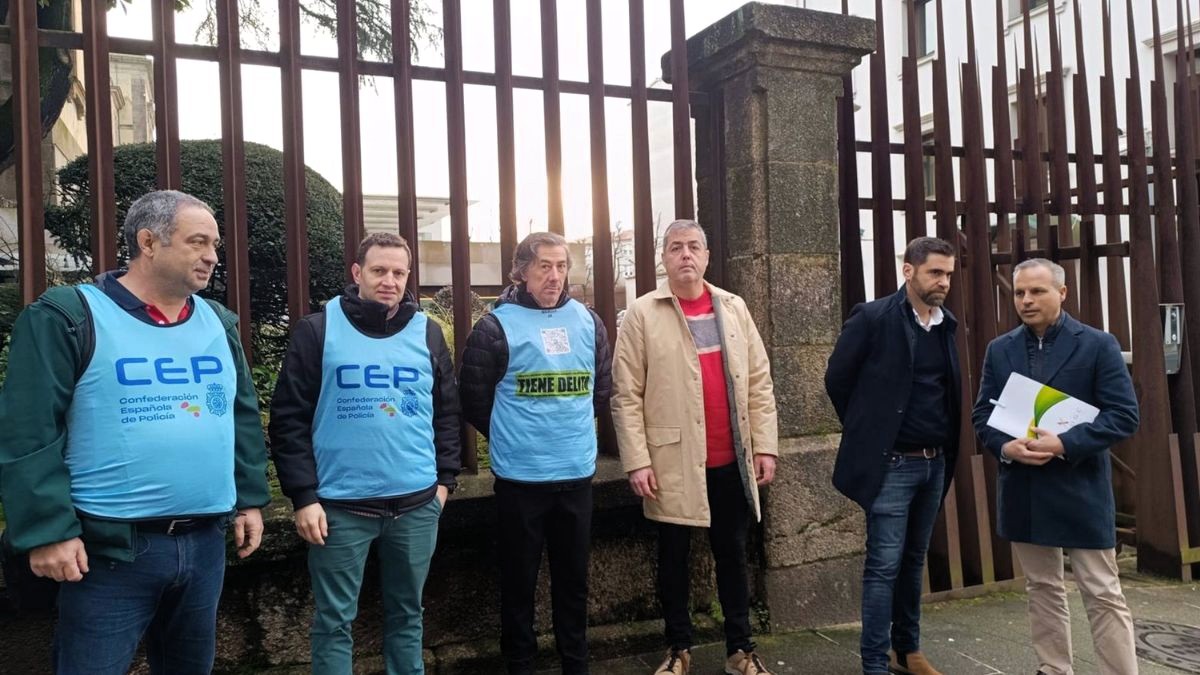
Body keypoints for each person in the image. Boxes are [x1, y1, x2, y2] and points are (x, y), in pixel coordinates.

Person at [0, 190, 270, 674]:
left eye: (215, 245)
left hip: (205, 544)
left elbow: (240, 414)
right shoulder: (68, 316)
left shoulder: (217, 322)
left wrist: (249, 497)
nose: (212, 256)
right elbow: (28, 430)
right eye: (198, 242)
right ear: (148, 241)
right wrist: (46, 532)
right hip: (109, 553)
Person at [269, 232, 461, 674]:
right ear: (357, 273)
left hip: (416, 506)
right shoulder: (318, 329)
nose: (389, 281)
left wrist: (444, 484)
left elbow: (446, 411)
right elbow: (289, 418)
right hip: (340, 508)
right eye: (379, 270)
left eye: (398, 272)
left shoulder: (427, 332)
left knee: (408, 614)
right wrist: (304, 496)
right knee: (335, 621)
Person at [610, 219, 779, 675]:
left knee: (733, 557)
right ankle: (677, 649)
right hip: (670, 462)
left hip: (731, 459)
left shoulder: (733, 307)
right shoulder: (643, 315)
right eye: (675, 247)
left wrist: (765, 447)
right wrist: (637, 461)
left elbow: (760, 382)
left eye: (694, 247)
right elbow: (626, 395)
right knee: (673, 561)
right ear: (663, 259)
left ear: (706, 256)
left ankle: (740, 650)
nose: (685, 255)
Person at [972, 258, 1139, 675]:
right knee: (1042, 588)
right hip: (1024, 487)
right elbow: (982, 417)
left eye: (1037, 291)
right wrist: (1007, 448)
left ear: (1062, 293)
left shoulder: (1098, 345)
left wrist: (1064, 442)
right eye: (1020, 292)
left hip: (1080, 486)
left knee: (1102, 591)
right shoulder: (1000, 349)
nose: (1026, 300)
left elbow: (1124, 416)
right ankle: (1052, 669)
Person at [459, 231, 611, 675]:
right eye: (544, 266)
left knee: (574, 583)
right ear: (521, 270)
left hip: (575, 475)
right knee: (518, 584)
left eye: (561, 266)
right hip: (521, 480)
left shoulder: (589, 322)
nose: (554, 275)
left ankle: (575, 664)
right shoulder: (494, 326)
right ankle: (521, 665)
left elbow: (600, 392)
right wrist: (515, 436)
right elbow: (474, 401)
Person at [825, 236, 961, 675]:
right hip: (894, 464)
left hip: (935, 462)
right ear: (908, 271)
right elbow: (837, 380)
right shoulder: (873, 317)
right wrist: (871, 430)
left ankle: (908, 649)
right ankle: (874, 663)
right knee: (883, 565)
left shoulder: (945, 324)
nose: (943, 282)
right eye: (934, 273)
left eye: (948, 274)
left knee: (913, 559)